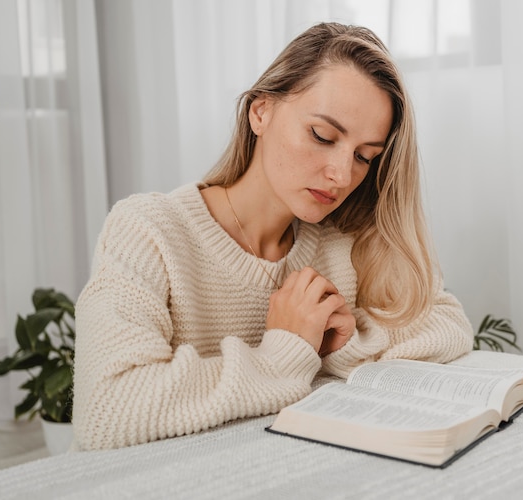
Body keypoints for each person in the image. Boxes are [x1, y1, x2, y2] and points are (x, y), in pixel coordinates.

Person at [73, 22, 473, 451]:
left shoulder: (342, 244)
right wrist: (286, 352)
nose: (342, 175)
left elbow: (448, 325)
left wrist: (342, 346)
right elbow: (107, 409)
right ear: (260, 111)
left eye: (363, 156)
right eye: (323, 136)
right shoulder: (149, 231)